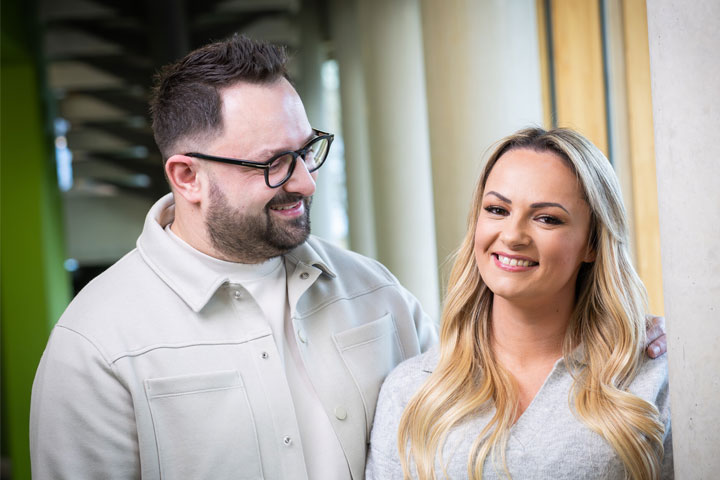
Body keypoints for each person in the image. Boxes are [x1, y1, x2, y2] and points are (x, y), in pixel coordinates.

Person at [30, 36, 666, 479]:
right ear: (187, 176)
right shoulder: (97, 345)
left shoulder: (375, 292)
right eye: (274, 164)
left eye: (306, 152)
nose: (306, 181)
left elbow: (463, 374)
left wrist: (625, 338)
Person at [366, 128, 672, 479]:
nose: (512, 236)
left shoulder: (652, 380)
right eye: (497, 209)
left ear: (592, 244)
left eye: (546, 218)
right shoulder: (410, 392)